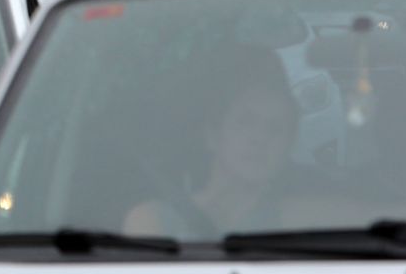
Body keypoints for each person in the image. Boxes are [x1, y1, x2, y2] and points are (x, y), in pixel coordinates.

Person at [124, 65, 299, 237]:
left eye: (275, 128)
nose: (259, 138)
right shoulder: (152, 220)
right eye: (245, 122)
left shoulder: (306, 220)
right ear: (212, 136)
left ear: (287, 150)